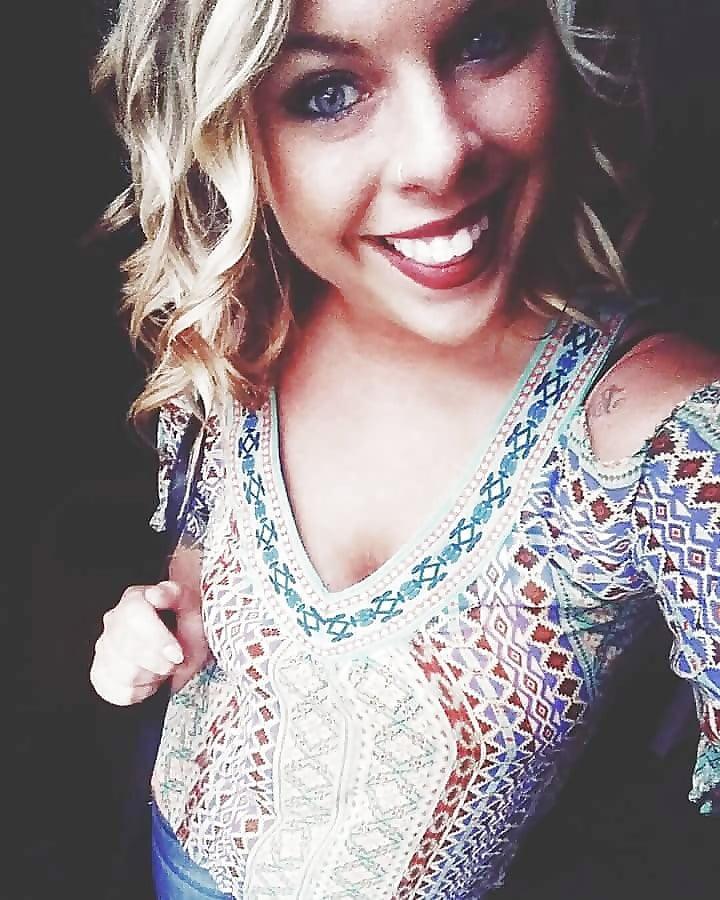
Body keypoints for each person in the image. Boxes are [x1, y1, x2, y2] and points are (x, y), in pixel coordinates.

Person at [88, 0, 719, 897]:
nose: (440, 153)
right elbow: (193, 569)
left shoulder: (666, 443)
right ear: (229, 131)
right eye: (327, 91)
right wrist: (156, 624)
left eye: (483, 40)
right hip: (171, 856)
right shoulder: (239, 341)